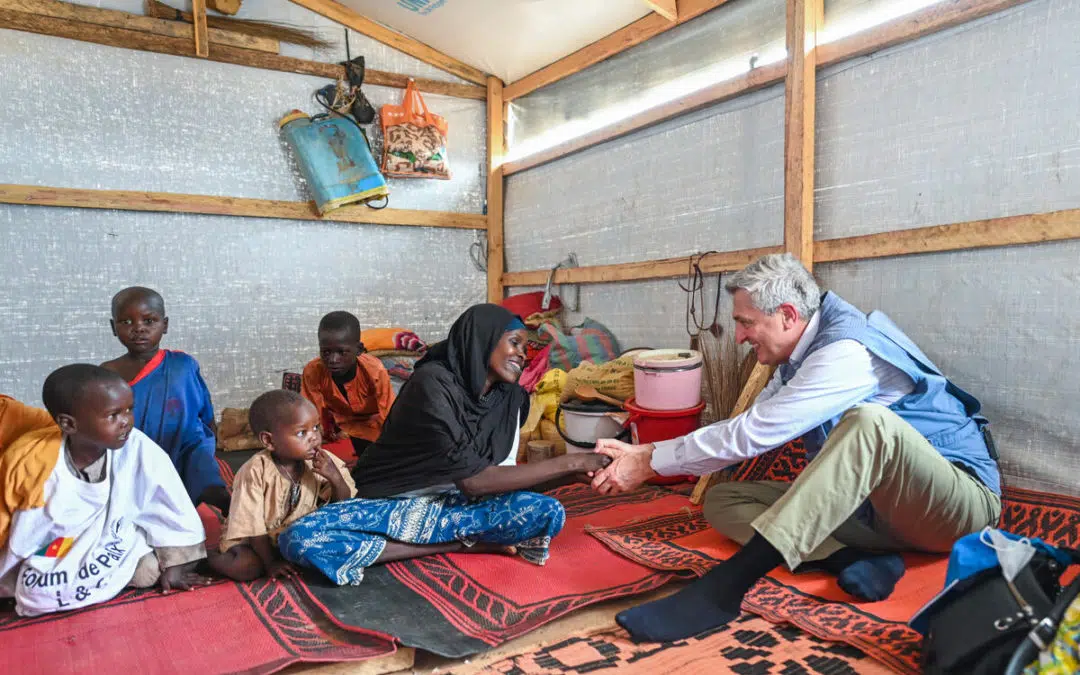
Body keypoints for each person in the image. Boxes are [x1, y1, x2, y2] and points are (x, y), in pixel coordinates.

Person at [591, 253, 1001, 643]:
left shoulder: (846, 351)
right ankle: (853, 558)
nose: (738, 337)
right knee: (725, 499)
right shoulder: (797, 356)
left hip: (953, 509)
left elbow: (756, 433)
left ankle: (724, 590)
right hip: (877, 511)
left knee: (871, 424)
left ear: (787, 315)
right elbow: (746, 426)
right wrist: (650, 454)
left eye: (745, 323)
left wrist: (651, 460)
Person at [278, 304, 610, 585]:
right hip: (392, 501)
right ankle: (460, 545)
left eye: (525, 348)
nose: (522, 354)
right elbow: (475, 480)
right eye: (514, 343)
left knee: (549, 512)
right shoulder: (433, 383)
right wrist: (572, 462)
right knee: (300, 539)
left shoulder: (512, 400)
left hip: (456, 508)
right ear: (482, 340)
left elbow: (497, 481)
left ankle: (433, 538)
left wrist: (571, 477)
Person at [0, 365, 208, 617]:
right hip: (56, 547)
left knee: (148, 571)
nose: (126, 422)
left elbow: (169, 502)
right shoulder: (33, 461)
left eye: (129, 410)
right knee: (36, 593)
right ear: (69, 424)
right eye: (113, 415)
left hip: (112, 534)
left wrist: (177, 563)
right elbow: (26, 529)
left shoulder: (138, 446)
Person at [101, 286, 230, 513]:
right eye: (127, 322)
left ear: (165, 324)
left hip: (186, 445)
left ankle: (219, 507)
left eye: (149, 321)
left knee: (207, 477)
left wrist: (213, 439)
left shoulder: (183, 365)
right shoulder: (107, 372)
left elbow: (203, 408)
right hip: (137, 449)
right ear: (113, 327)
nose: (138, 329)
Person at [209, 390, 355, 581]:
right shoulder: (254, 471)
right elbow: (253, 527)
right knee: (247, 568)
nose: (314, 438)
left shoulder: (323, 462)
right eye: (302, 432)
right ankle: (207, 559)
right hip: (252, 538)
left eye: (316, 427)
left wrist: (335, 478)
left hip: (291, 535)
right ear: (269, 440)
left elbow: (341, 507)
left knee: (336, 551)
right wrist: (271, 563)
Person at [301, 311, 395, 460]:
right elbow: (312, 415)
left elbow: (388, 413)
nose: (333, 360)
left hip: (371, 422)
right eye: (326, 352)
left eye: (341, 352)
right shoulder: (312, 371)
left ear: (358, 350)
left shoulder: (375, 371)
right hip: (339, 423)